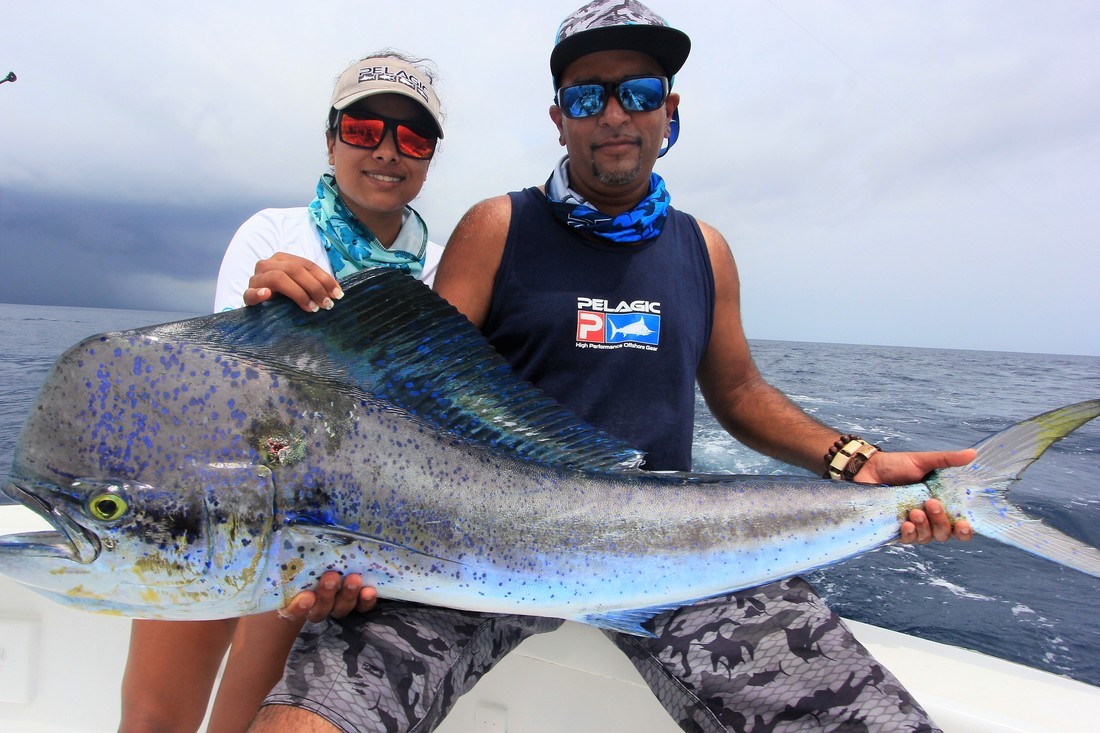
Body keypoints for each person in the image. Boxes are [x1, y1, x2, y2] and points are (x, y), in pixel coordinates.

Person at [247, 4, 972, 732]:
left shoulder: (706, 251)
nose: (616, 113)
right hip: (471, 546)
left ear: (670, 109)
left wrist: (855, 460)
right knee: (307, 722)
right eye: (590, 96)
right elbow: (403, 392)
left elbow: (740, 391)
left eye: (641, 92)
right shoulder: (496, 227)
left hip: (674, 554)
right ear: (560, 117)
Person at [118, 50, 447, 733]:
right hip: (207, 501)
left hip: (314, 533)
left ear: (428, 157)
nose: (387, 151)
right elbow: (224, 400)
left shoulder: (443, 271)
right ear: (332, 138)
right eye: (363, 129)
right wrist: (259, 312)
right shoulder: (270, 235)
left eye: (412, 138)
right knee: (153, 719)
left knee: (242, 720)